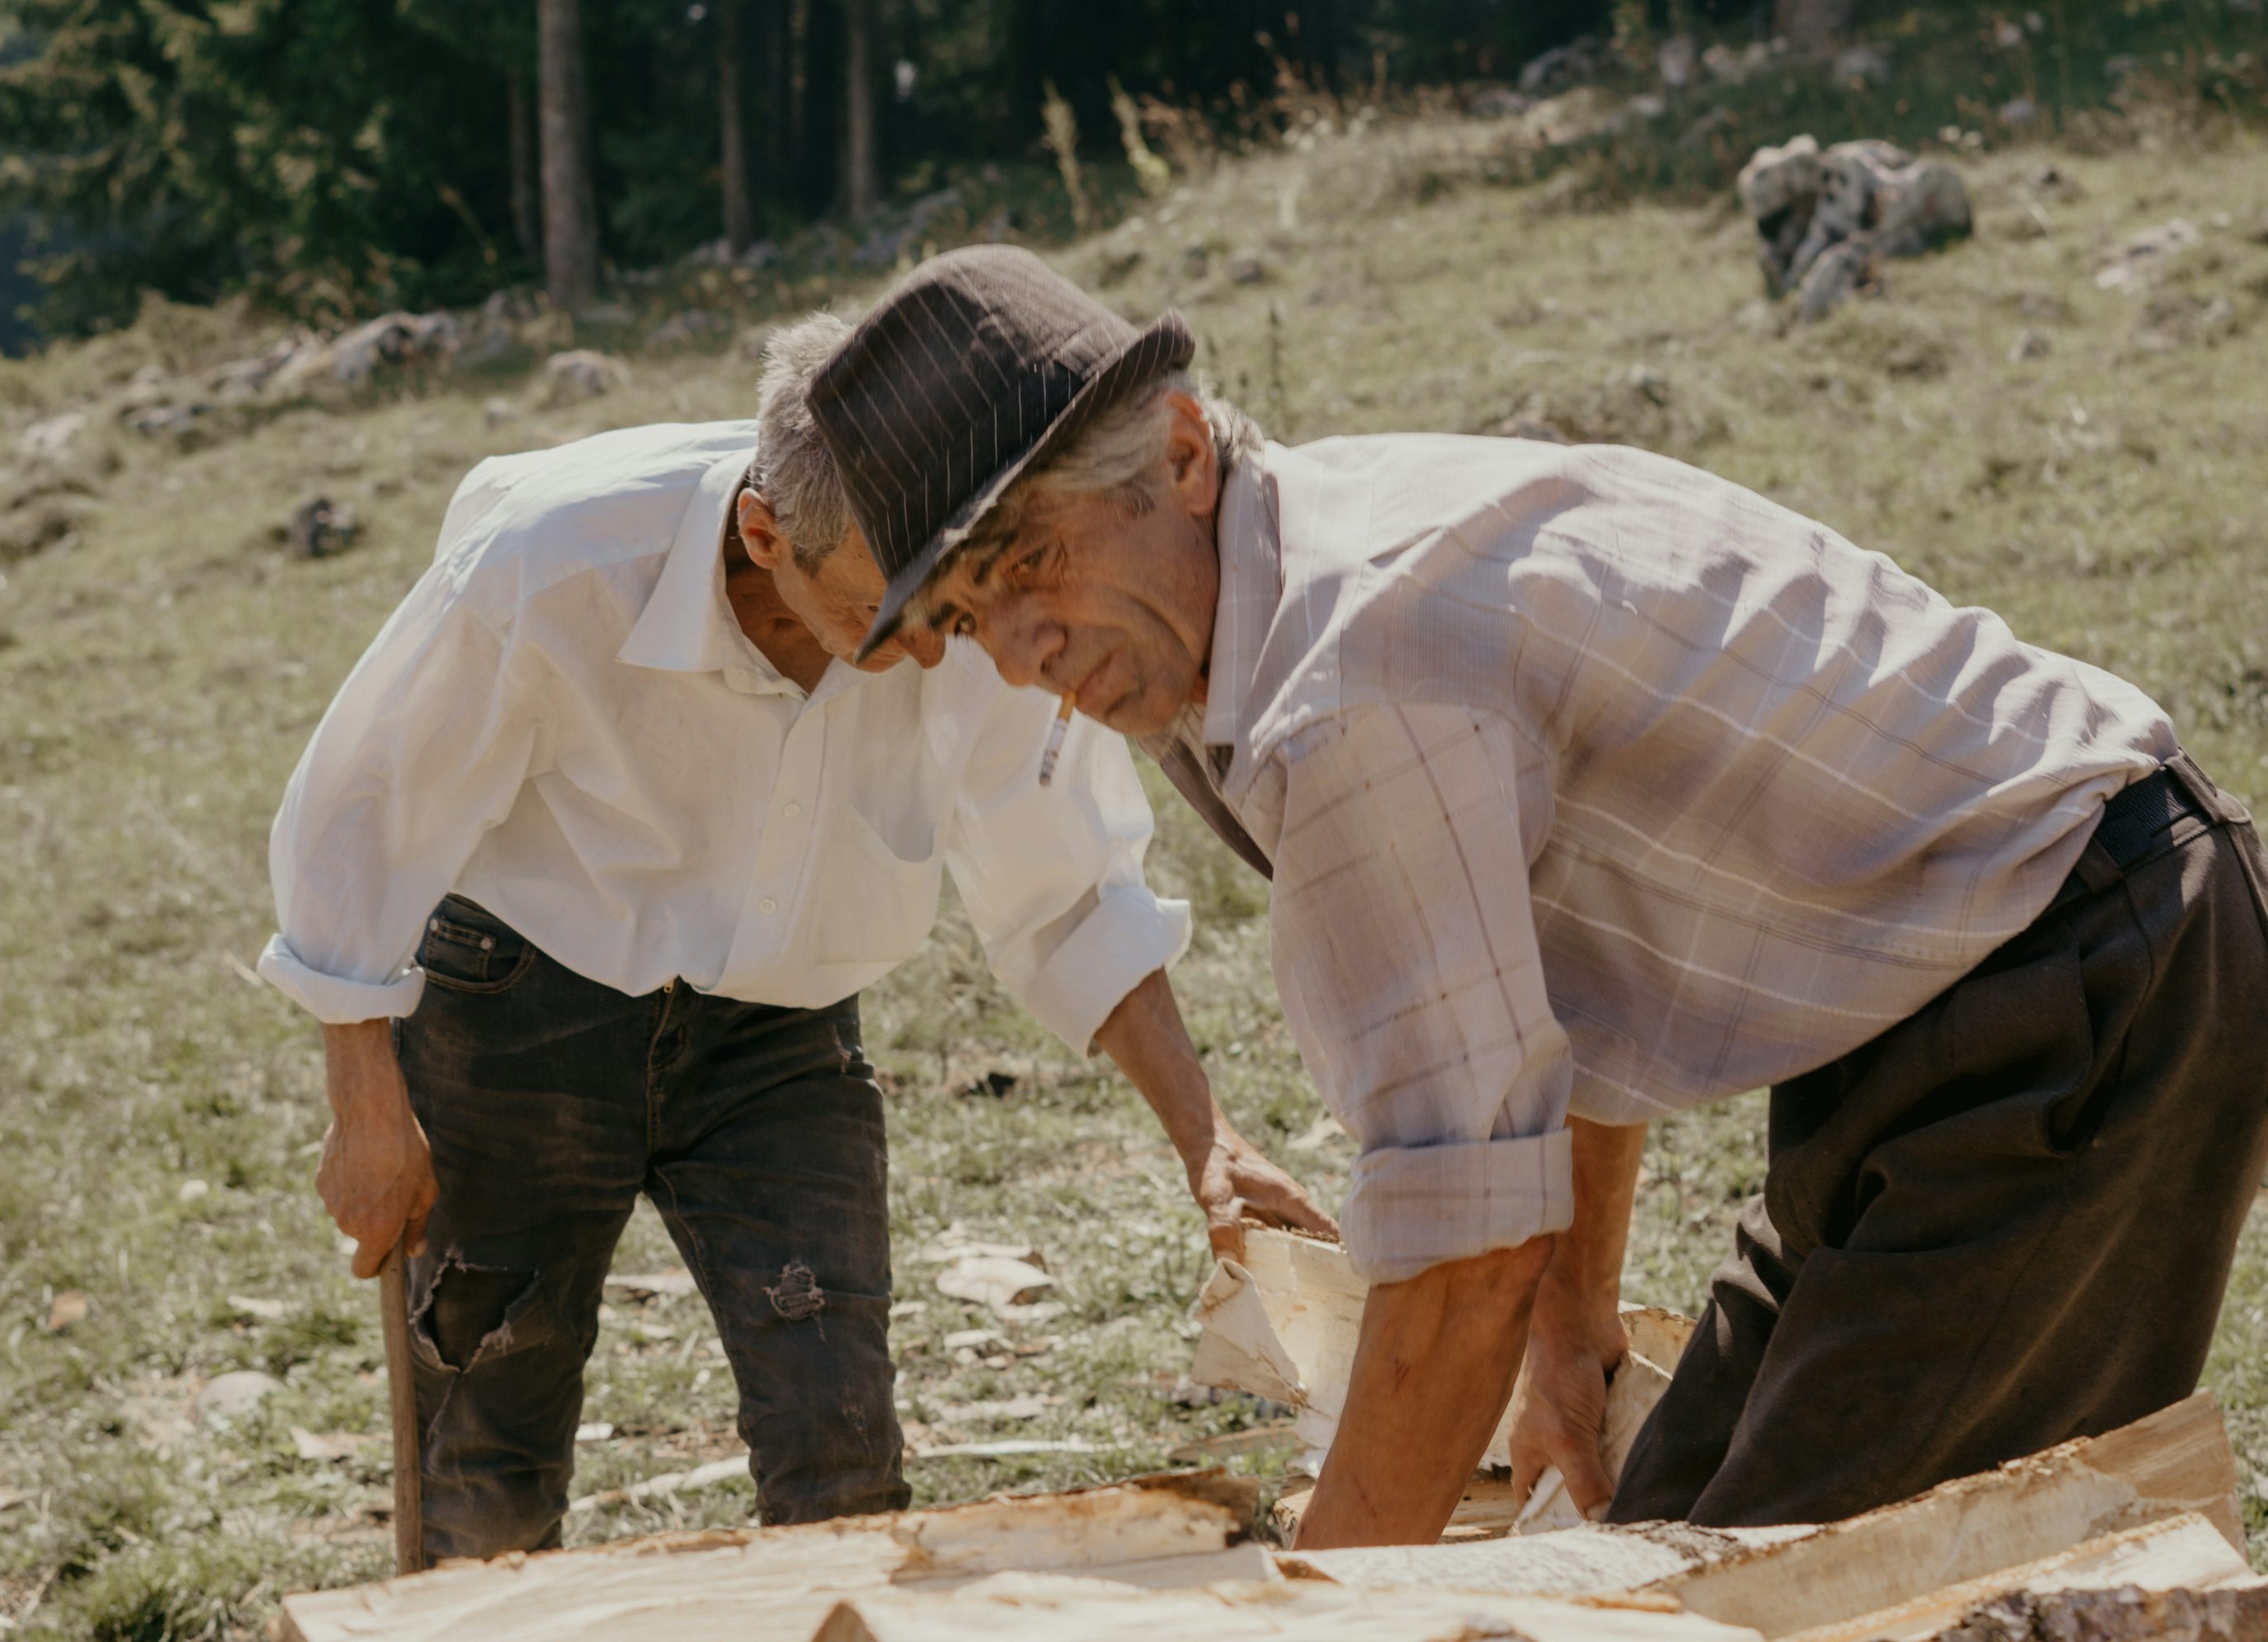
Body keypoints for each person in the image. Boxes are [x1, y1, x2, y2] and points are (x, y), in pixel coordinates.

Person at [804, 245, 2268, 1547]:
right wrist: (1572, 1338)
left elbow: (1458, 1262)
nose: (1017, 649)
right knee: (1664, 1542)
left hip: (2091, 979)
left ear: (1180, 452)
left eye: (1030, 563)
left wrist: (1322, 1605)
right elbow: (1556, 973)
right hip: (1933, 1004)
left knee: (1791, 1595)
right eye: (963, 616)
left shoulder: (1348, 679)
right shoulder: (1261, 591)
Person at [255, 312, 1336, 1562]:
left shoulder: (972, 588)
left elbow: (1065, 884)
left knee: (838, 1440)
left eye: (950, 608)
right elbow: (361, 809)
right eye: (889, 621)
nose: (941, 648)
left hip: (779, 1032)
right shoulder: (550, 556)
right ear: (765, 536)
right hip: (521, 1007)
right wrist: (366, 1102)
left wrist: (1212, 1140)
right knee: (489, 1436)